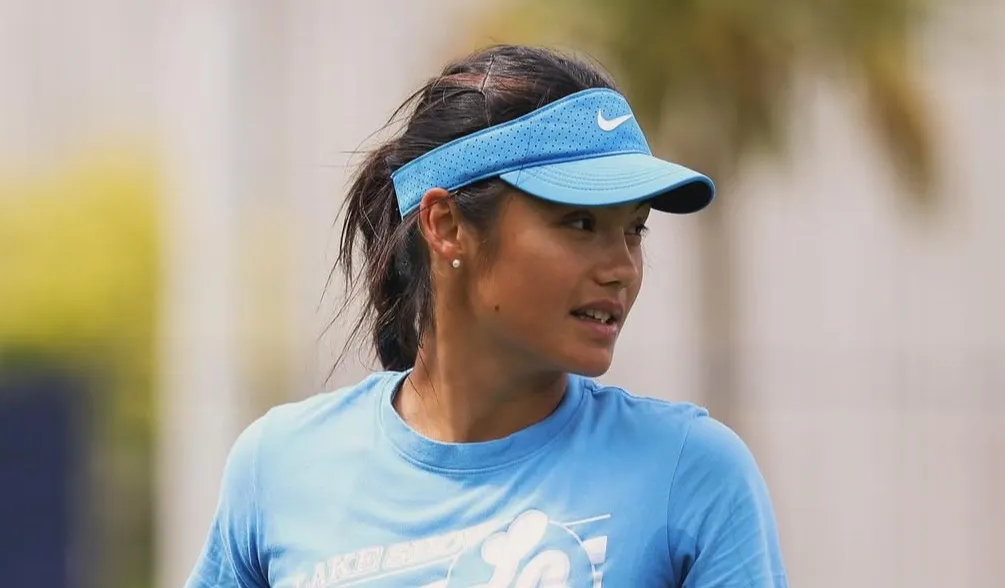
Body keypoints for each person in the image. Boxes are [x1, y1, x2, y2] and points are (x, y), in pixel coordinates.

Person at [185, 45, 787, 588]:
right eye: (580, 223)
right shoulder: (279, 467)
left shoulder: (690, 472)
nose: (622, 269)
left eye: (634, 229)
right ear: (446, 225)